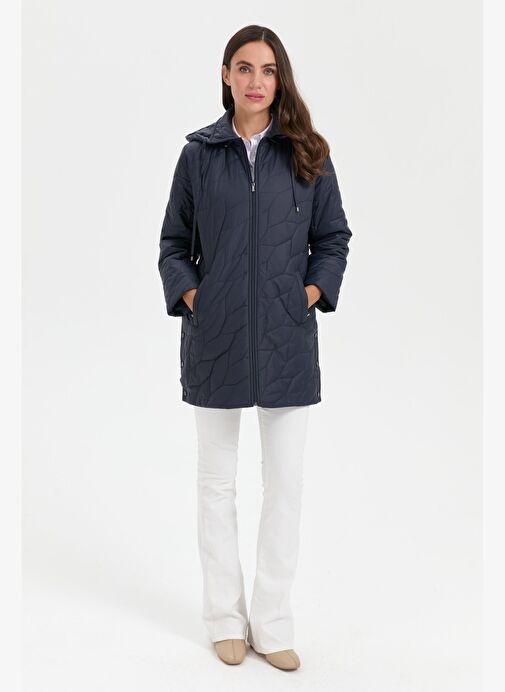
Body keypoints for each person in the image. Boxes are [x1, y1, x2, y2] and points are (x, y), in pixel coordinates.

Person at [158, 25, 352, 671]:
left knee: (285, 486)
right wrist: (196, 297)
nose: (255, 81)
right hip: (214, 338)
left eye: (267, 70)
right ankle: (223, 620)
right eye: (243, 68)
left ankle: (271, 624)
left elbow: (333, 237)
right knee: (216, 485)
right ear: (225, 75)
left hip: (285, 338)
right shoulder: (198, 155)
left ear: (280, 78)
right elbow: (173, 244)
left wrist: (309, 292)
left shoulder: (307, 153)